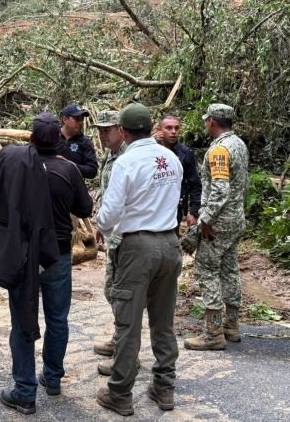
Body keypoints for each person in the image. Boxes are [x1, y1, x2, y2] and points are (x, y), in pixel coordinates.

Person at [0, 112, 92, 414]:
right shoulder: (69, 170)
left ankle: (24, 390)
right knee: (58, 318)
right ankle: (52, 378)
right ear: (60, 139)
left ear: (32, 138)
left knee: (22, 319)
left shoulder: (16, 165)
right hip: (58, 254)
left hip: (23, 254)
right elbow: (84, 207)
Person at [95, 103, 183, 416]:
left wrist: (100, 225)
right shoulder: (171, 159)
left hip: (137, 248)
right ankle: (164, 386)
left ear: (123, 130)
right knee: (163, 322)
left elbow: (111, 211)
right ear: (151, 128)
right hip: (170, 244)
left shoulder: (127, 161)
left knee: (128, 325)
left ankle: (119, 392)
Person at [184, 103, 249, 351]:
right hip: (236, 220)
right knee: (229, 269)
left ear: (212, 121)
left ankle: (213, 333)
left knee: (206, 269)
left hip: (219, 224)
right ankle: (231, 326)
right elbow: (243, 185)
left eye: (206, 121)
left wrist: (206, 221)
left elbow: (220, 190)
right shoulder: (239, 145)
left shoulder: (219, 151)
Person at [91, 110, 125, 360]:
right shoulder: (109, 156)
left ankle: (124, 344)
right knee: (111, 289)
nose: (103, 135)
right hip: (112, 232)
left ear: (120, 129)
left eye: (107, 130)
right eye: (100, 130)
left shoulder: (127, 157)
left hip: (125, 235)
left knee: (120, 291)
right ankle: (119, 337)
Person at [153, 114, 202, 228]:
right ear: (159, 130)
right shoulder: (149, 151)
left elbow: (195, 184)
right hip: (151, 207)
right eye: (169, 128)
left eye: (176, 128)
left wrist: (193, 212)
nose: (173, 131)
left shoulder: (185, 154)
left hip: (174, 210)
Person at [56, 103, 98, 179]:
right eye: (77, 119)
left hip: (74, 188)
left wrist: (70, 166)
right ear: (65, 119)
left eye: (82, 119)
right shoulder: (53, 137)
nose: (80, 122)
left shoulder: (85, 142)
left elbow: (92, 171)